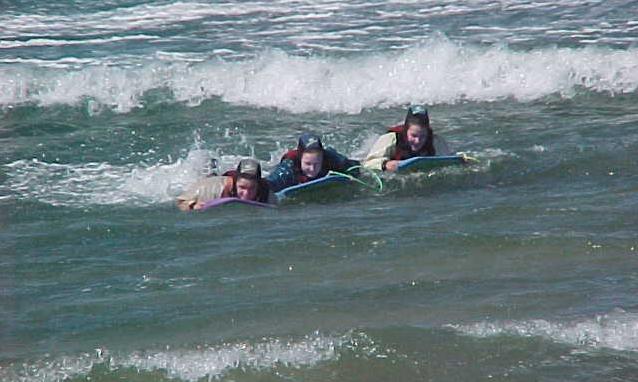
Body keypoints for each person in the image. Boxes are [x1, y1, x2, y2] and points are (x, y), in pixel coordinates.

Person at [363, 105, 452, 172]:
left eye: (423, 136)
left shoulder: (436, 141)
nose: (418, 141)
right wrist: (385, 165)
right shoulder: (390, 139)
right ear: (406, 131)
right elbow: (367, 164)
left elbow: (449, 162)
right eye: (413, 135)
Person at [266, 132, 360, 192]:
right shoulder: (289, 166)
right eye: (308, 164)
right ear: (300, 158)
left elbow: (355, 168)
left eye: (317, 164)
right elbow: (269, 183)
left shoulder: (331, 158)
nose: (312, 169)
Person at [176, 158, 274, 211]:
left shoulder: (267, 193)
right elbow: (180, 202)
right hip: (213, 183)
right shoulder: (210, 188)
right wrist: (193, 206)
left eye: (252, 188)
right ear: (235, 182)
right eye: (242, 187)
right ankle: (211, 166)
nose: (246, 194)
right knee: (209, 176)